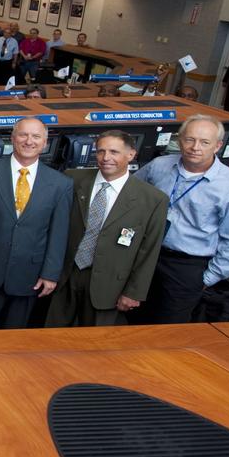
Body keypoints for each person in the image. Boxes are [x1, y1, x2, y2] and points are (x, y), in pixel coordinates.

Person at [132, 115, 229, 324]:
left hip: (186, 267)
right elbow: (130, 195)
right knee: (130, 319)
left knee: (166, 330)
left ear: (218, 146)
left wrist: (205, 280)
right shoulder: (159, 166)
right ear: (180, 140)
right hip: (145, 255)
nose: (195, 147)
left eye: (205, 142)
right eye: (190, 139)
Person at [46, 130, 169, 327]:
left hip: (110, 285)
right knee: (51, 338)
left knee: (96, 346)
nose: (106, 158)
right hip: (66, 276)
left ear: (131, 155)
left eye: (114, 152)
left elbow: (149, 250)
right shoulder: (72, 179)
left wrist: (133, 292)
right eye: (101, 151)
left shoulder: (153, 199)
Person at [0, 117, 72, 329]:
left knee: (15, 338)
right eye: (23, 134)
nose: (29, 141)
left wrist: (51, 273)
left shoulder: (61, 184)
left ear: (45, 143)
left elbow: (59, 233)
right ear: (12, 138)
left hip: (29, 275)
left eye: (36, 136)